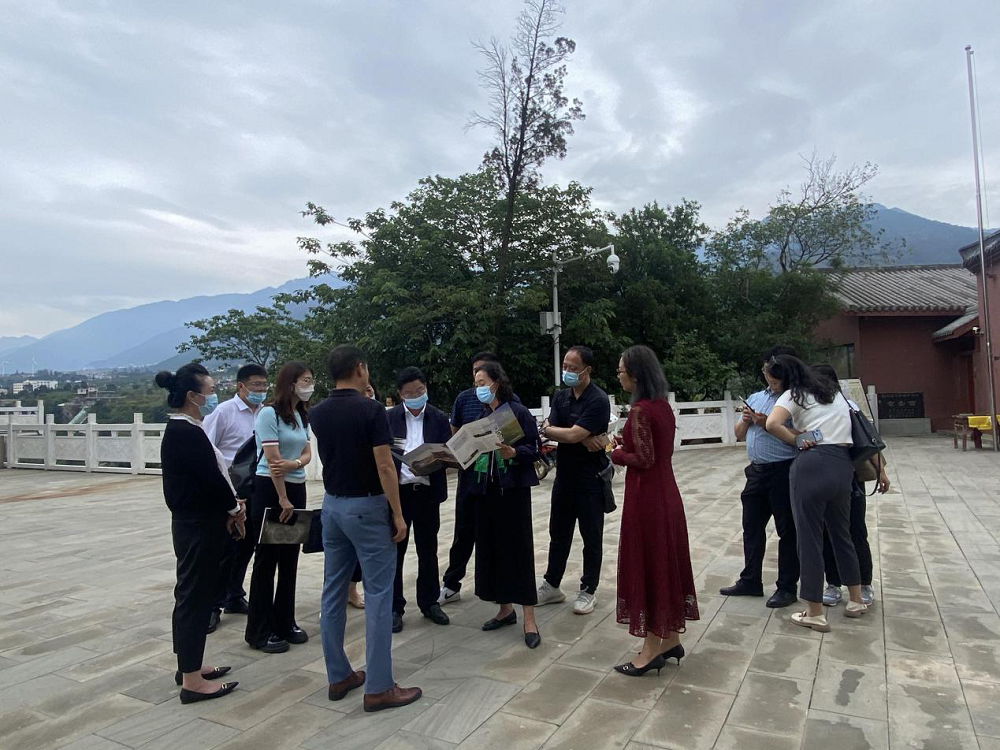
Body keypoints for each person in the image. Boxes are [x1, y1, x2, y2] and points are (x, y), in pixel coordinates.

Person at [310, 345, 421, 712]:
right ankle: (379, 686)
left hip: (333, 506)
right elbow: (385, 466)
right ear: (360, 368)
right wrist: (398, 513)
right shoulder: (371, 410)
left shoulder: (318, 412)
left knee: (333, 590)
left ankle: (338, 674)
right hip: (367, 506)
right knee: (378, 594)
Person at [610, 345, 699, 676]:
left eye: (621, 371)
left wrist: (615, 453)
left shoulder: (641, 411)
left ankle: (649, 651)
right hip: (667, 494)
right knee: (665, 562)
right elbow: (655, 450)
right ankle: (670, 638)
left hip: (646, 498)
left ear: (635, 375)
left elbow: (643, 459)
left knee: (647, 564)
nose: (619, 376)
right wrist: (627, 444)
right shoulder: (662, 407)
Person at [156, 363, 240, 704]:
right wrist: (234, 508)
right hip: (197, 525)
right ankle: (192, 681)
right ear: (192, 396)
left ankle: (189, 666)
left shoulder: (188, 429)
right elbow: (212, 480)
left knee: (194, 594)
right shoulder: (185, 432)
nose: (214, 395)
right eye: (210, 390)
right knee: (194, 597)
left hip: (197, 523)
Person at [764, 355, 867, 632]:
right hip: (843, 465)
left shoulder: (793, 394)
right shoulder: (833, 394)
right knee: (841, 534)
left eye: (773, 380)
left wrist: (796, 439)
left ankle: (814, 612)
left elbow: (772, 424)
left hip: (812, 465)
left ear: (784, 378)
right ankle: (856, 600)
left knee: (809, 538)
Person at [468, 361, 543, 648]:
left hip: (512, 492)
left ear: (496, 383)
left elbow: (534, 449)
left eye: (482, 383)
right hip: (485, 491)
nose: (478, 388)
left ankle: (529, 618)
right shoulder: (481, 415)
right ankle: (504, 608)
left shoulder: (516, 412)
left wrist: (514, 452)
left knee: (518, 551)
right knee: (492, 550)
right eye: (476, 384)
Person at [719, 346, 800, 609]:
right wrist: (746, 419)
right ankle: (750, 579)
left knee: (787, 531)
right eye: (767, 372)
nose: (770, 378)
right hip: (756, 471)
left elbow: (805, 436)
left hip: (783, 470)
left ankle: (787, 587)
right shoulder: (756, 397)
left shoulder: (794, 399)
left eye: (775, 375)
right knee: (751, 527)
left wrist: (768, 423)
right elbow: (739, 434)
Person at [244, 362, 314, 653]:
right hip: (271, 491)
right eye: (305, 380)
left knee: (289, 558)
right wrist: (283, 499)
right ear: (291, 383)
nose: (310, 386)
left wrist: (295, 464)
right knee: (267, 560)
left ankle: (285, 621)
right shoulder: (268, 414)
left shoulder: (300, 414)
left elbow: (307, 453)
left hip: (297, 487)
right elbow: (273, 462)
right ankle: (259, 631)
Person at [537, 345, 612, 615]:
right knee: (558, 534)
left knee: (591, 537)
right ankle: (552, 585)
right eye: (565, 366)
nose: (567, 371)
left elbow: (568, 434)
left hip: (591, 479)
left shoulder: (598, 400)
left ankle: (588, 590)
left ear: (587, 370)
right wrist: (576, 435)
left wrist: (566, 433)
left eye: (573, 368)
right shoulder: (561, 397)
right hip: (564, 478)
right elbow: (555, 430)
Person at [812, 365, 888, 608]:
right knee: (826, 532)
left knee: (855, 530)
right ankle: (833, 583)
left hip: (850, 479)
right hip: (821, 477)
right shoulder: (809, 409)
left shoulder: (848, 406)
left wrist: (881, 472)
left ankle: (864, 583)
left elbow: (867, 440)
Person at [202, 363, 269, 632]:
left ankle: (234, 595)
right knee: (225, 550)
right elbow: (207, 449)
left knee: (247, 546)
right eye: (256, 385)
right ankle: (211, 606)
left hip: (257, 487)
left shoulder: (266, 413)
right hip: (230, 490)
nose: (261, 390)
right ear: (240, 386)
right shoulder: (223, 412)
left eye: (264, 385)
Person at [388, 367, 452, 632]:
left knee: (428, 549)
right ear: (400, 394)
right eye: (410, 393)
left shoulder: (438, 417)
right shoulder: (389, 418)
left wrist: (432, 462)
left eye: (420, 391)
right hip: (399, 495)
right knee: (395, 552)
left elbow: (447, 453)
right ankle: (394, 607)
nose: (416, 396)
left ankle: (429, 602)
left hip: (427, 492)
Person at [438, 351, 504, 606]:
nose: (478, 378)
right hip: (469, 475)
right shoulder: (464, 399)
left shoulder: (508, 401)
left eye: (483, 373)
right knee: (463, 531)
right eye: (475, 372)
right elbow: (454, 434)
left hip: (497, 477)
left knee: (496, 533)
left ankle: (497, 587)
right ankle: (451, 584)